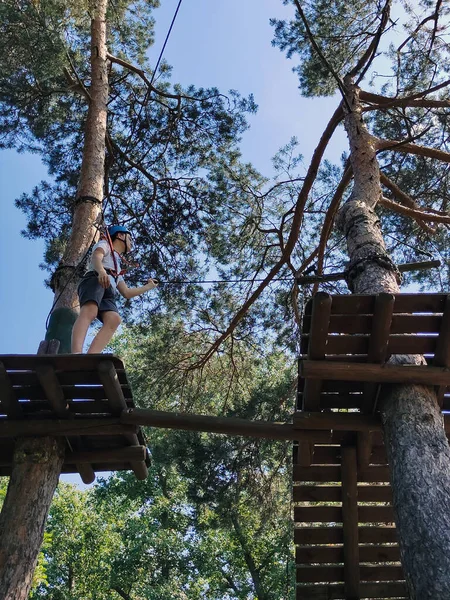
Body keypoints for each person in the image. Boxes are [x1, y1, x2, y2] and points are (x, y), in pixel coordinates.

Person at [71, 225, 157, 353]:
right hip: (95, 278)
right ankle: (76, 353)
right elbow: (96, 256)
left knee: (114, 319)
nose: (131, 242)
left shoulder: (116, 265)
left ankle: (92, 356)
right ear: (120, 235)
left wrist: (148, 287)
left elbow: (126, 292)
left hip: (109, 287)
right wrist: (101, 272)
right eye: (130, 238)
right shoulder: (105, 244)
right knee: (90, 311)